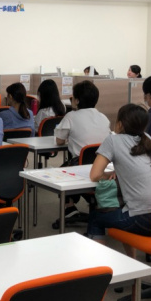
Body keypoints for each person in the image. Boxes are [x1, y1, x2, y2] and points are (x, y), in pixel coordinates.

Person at [88, 104, 151, 255]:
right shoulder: (148, 139)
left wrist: (109, 174)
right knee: (124, 209)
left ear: (120, 124)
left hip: (143, 219)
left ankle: (98, 264)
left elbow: (95, 175)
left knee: (95, 218)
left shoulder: (113, 141)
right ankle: (132, 263)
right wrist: (119, 172)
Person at [54, 80, 111, 225]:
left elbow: (59, 141)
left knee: (59, 172)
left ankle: (69, 206)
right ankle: (93, 204)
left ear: (77, 100)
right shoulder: (103, 117)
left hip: (81, 166)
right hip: (104, 166)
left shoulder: (71, 116)